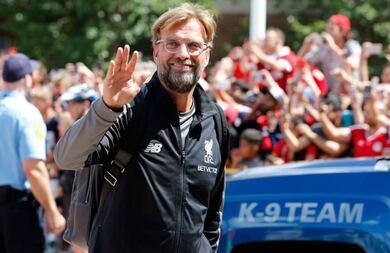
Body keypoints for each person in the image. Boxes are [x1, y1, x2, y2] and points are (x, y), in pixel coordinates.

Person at [54, 3, 228, 253]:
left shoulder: (215, 120)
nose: (183, 53)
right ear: (156, 52)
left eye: (193, 45)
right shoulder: (129, 109)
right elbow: (67, 157)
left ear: (207, 55)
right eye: (172, 44)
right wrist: (107, 106)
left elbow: (212, 211)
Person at [0, 53, 65, 253]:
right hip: (17, 209)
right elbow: (34, 169)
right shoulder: (26, 112)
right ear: (27, 78)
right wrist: (52, 211)